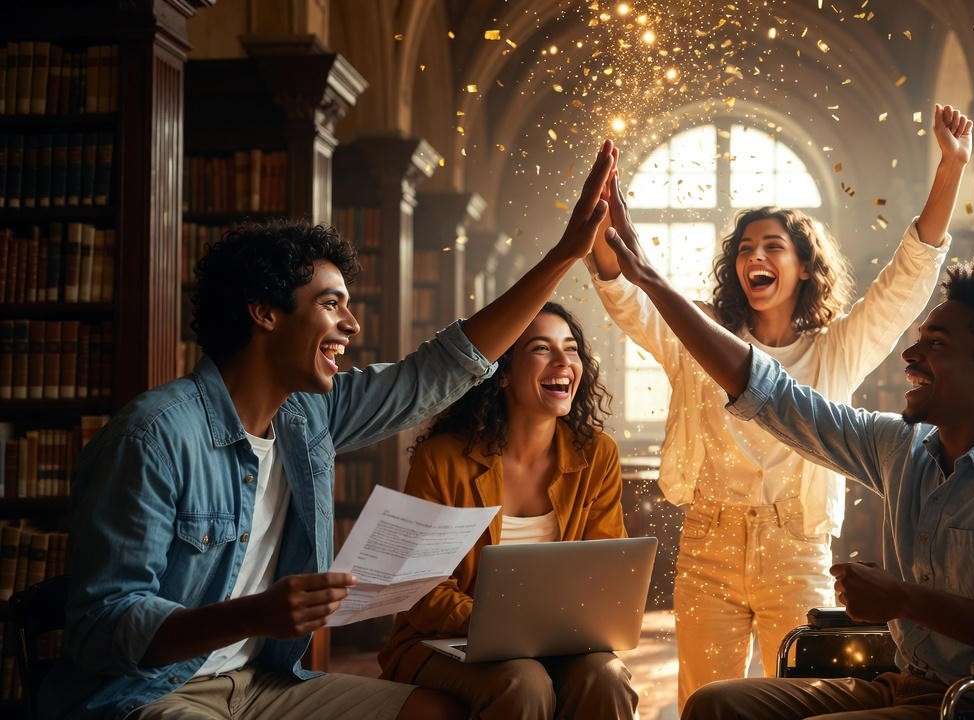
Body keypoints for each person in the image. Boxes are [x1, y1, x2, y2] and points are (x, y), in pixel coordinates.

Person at [39, 143, 618, 720]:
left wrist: (565, 254)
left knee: (440, 713)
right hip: (154, 692)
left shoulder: (309, 416)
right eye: (331, 305)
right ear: (265, 313)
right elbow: (100, 624)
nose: (351, 324)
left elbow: (439, 371)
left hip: (268, 682)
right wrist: (251, 616)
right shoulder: (153, 437)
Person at [602, 208, 974, 718]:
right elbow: (778, 399)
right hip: (902, 683)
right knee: (714, 703)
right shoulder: (903, 448)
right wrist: (646, 276)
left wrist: (907, 600)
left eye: (935, 345)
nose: (909, 356)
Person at [586, 105, 971, 705]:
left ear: (803, 267)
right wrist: (603, 225)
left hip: (797, 546)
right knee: (705, 702)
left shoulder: (835, 349)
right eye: (744, 249)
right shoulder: (699, 339)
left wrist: (950, 169)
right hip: (708, 542)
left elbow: (906, 283)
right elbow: (626, 299)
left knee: (801, 701)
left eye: (773, 246)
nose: (754, 258)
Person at [379, 302, 637, 720]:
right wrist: (505, 627)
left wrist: (545, 630)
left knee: (606, 676)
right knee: (523, 681)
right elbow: (419, 591)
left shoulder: (596, 454)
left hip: (559, 640)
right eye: (541, 349)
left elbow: (606, 573)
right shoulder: (442, 459)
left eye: (571, 349)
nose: (563, 362)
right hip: (440, 639)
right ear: (502, 373)